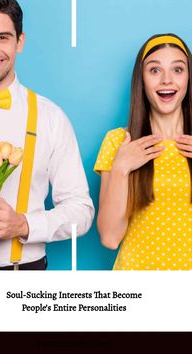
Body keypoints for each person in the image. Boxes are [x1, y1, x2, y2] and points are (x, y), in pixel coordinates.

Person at [0, 0, 94, 270]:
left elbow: (81, 210)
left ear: (20, 41)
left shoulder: (51, 117)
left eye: (3, 37)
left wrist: (24, 224)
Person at [94, 33, 192, 270]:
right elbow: (109, 237)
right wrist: (120, 168)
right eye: (155, 70)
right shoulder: (118, 141)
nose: (167, 80)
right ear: (142, 79)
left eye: (177, 70)